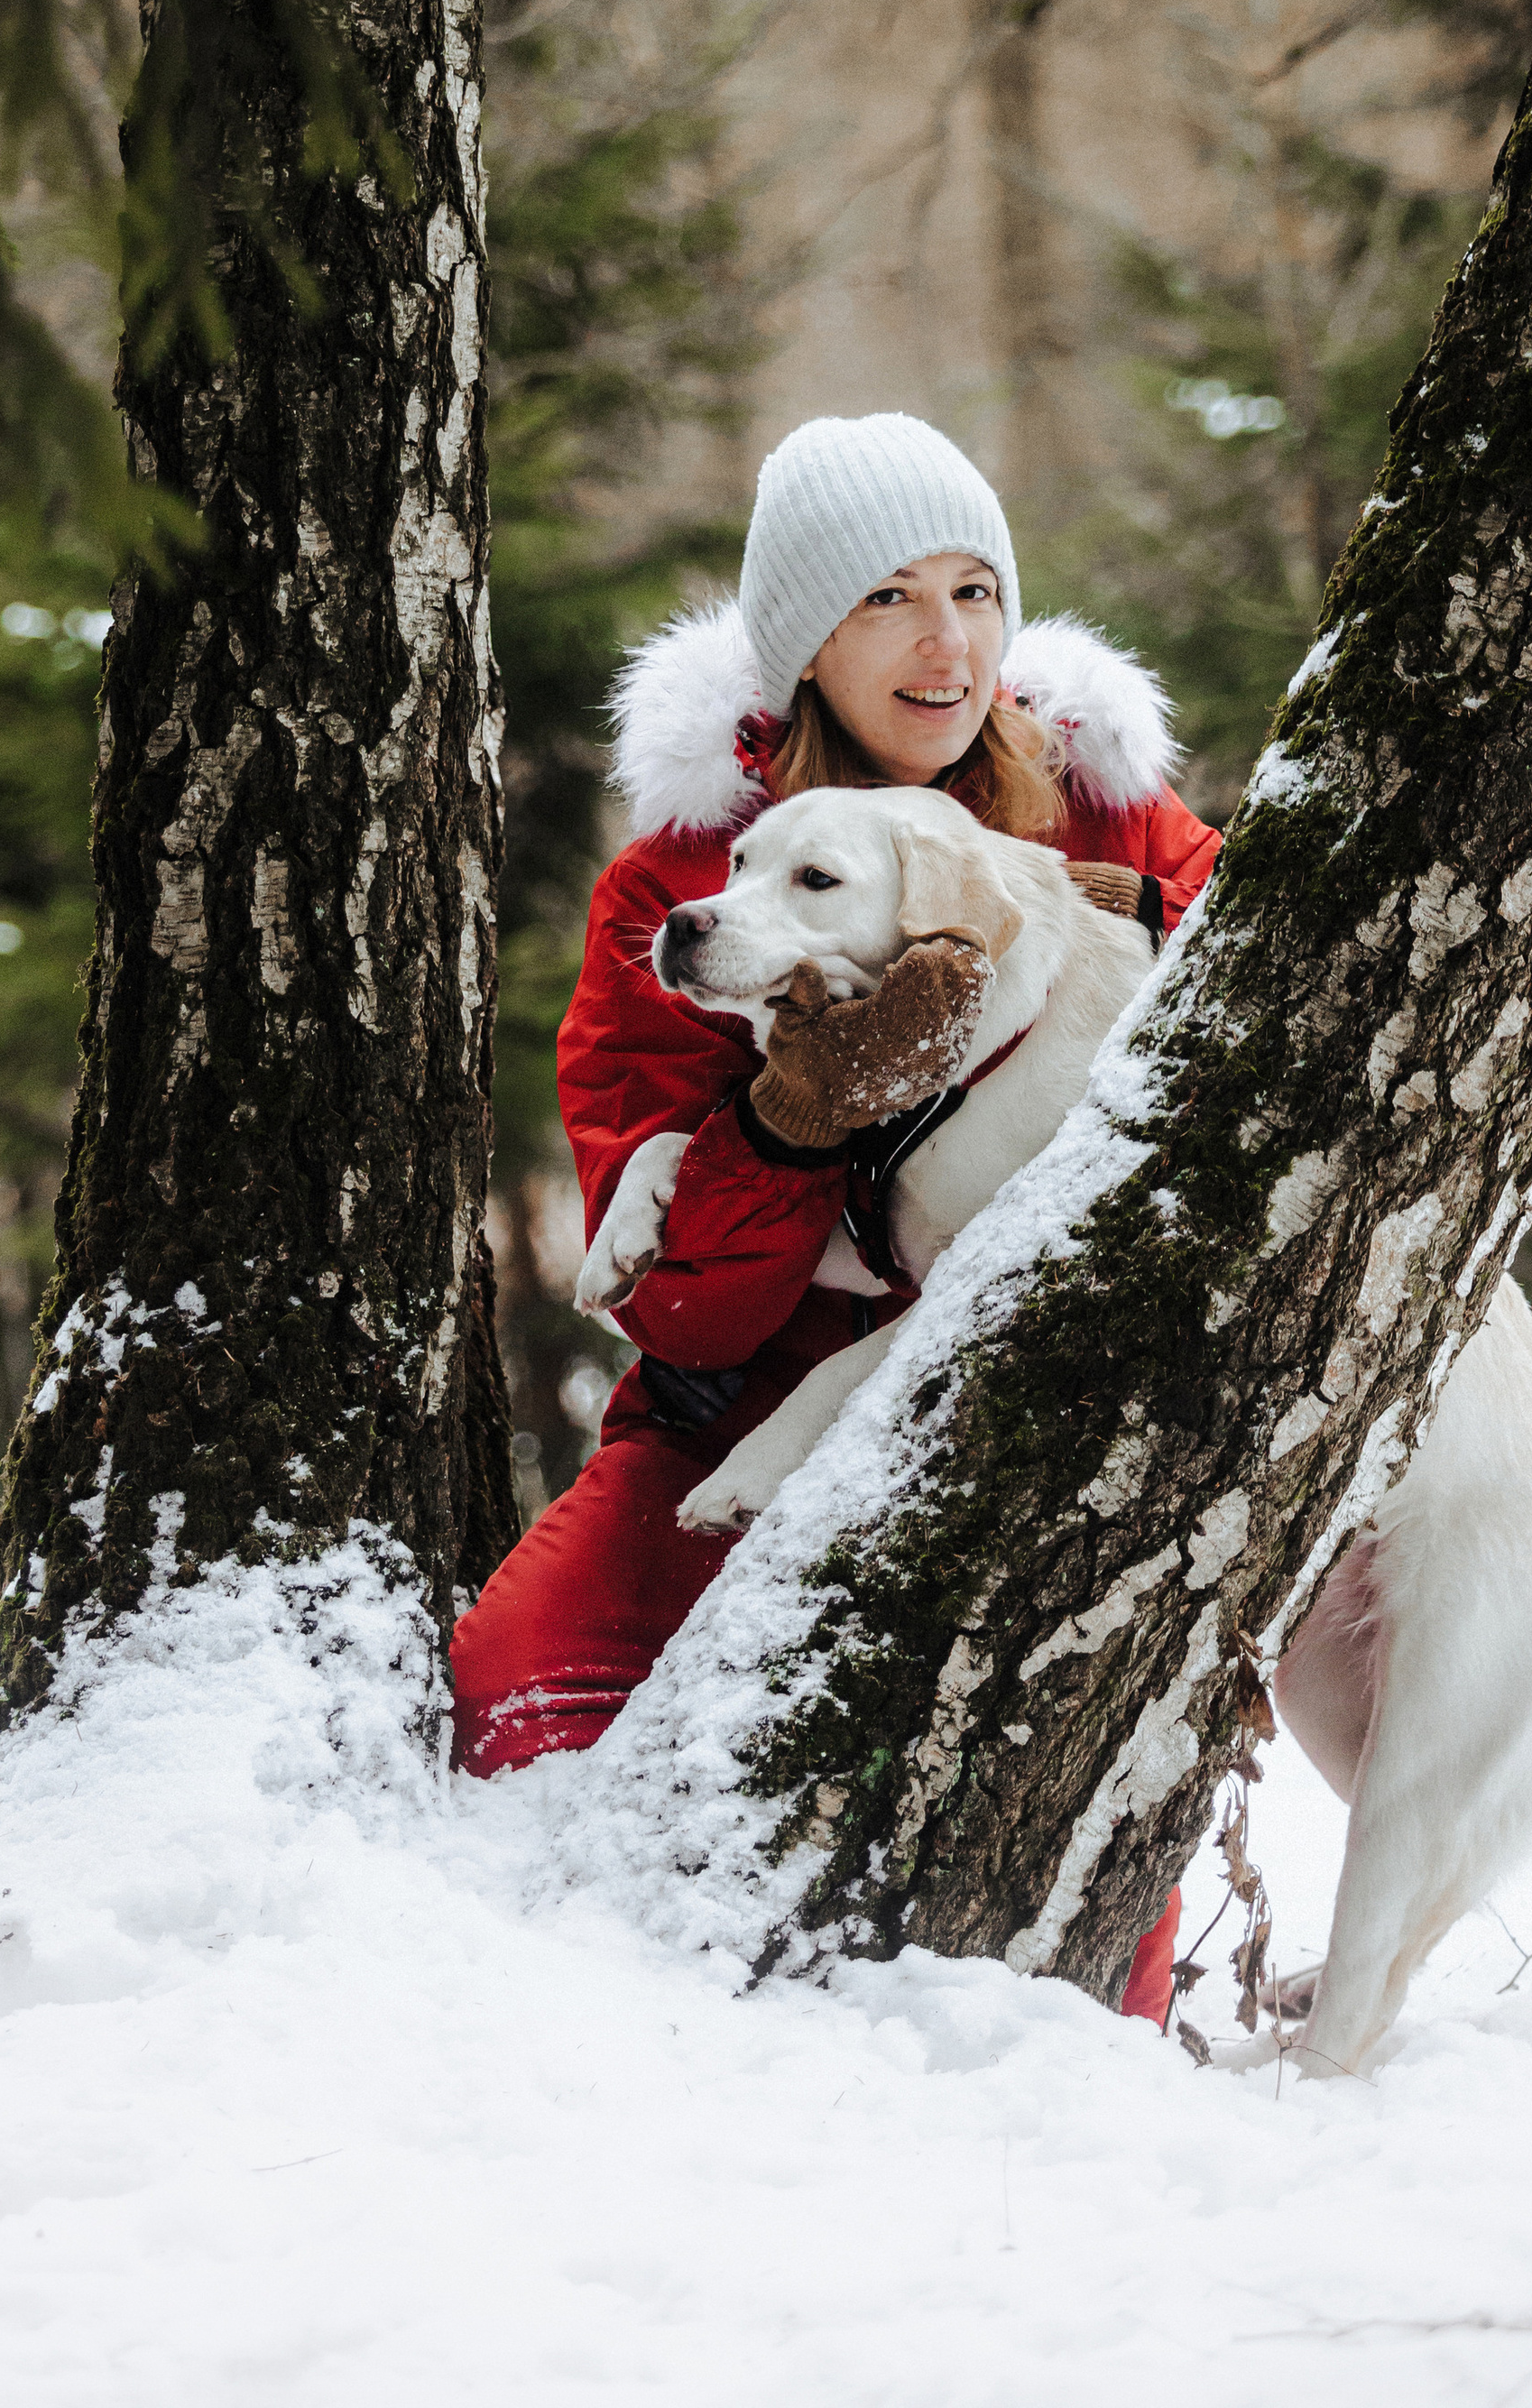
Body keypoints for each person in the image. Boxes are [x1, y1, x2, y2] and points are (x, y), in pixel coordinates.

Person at [453, 413, 1221, 2021]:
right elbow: (685, 1309)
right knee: (516, 1695)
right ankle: (605, 2045)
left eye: (974, 592)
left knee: (1059, 1799)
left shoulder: (1111, 825)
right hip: (742, 1408)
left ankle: (1089, 2065)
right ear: (804, 641)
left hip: (1030, 1423)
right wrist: (788, 1118)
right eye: (888, 600)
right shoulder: (686, 893)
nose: (948, 647)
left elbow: (1283, 1039)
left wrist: (1130, 929)